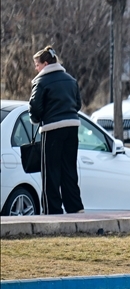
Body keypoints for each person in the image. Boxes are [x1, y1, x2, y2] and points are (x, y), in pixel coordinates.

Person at [29, 45, 84, 214]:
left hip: (52, 129)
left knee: (50, 172)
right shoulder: (70, 79)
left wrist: (36, 119)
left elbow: (35, 109)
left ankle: (52, 211)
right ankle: (75, 209)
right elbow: (78, 105)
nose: (36, 69)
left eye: (37, 65)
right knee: (69, 170)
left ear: (45, 64)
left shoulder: (41, 81)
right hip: (72, 129)